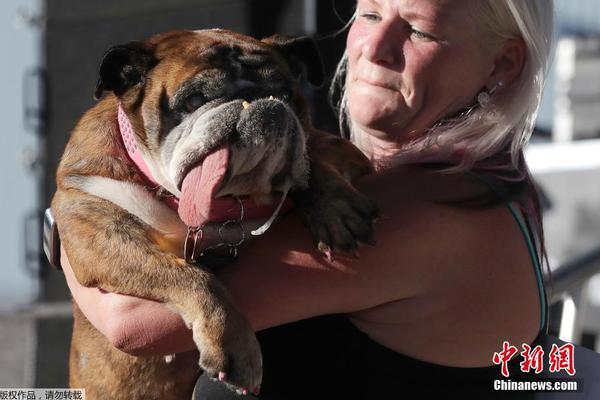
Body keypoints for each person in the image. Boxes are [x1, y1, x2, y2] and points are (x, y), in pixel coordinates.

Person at [60, 0, 556, 398]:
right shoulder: (465, 189)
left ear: (503, 64)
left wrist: (67, 221)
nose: (375, 47)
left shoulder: (414, 217)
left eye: (420, 32)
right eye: (369, 14)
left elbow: (134, 324)